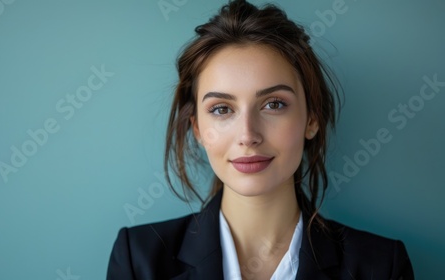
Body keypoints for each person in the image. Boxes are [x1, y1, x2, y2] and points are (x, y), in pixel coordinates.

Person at [107, 0, 414, 279]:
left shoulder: (381, 266)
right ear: (198, 129)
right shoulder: (139, 259)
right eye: (222, 109)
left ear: (311, 119)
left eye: (274, 104)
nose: (247, 135)